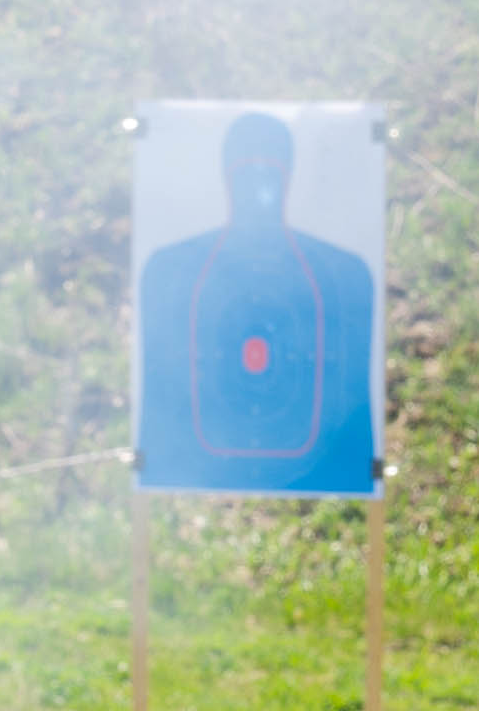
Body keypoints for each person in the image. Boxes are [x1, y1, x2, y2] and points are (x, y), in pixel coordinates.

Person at [134, 110, 377, 495]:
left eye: (269, 171)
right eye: (247, 171)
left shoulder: (343, 275)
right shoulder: (171, 271)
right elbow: (163, 412)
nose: (259, 188)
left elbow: (351, 425)